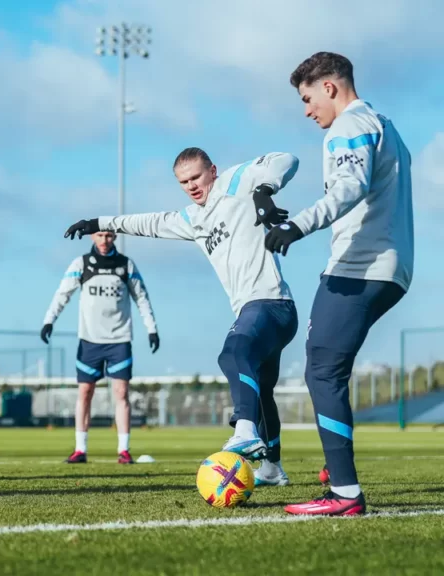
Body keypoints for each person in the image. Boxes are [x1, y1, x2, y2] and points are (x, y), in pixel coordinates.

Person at [65, 148, 300, 486]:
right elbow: (150, 223)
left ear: (213, 171)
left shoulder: (235, 181)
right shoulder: (193, 218)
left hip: (270, 303)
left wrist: (264, 191)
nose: (191, 185)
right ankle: (272, 468)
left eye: (196, 177)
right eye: (183, 182)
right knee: (262, 390)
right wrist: (98, 223)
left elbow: (287, 159)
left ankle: (245, 430)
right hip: (259, 310)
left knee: (233, 352)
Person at [264, 53, 413, 516]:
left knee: (322, 369)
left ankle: (345, 493)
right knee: (328, 367)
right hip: (388, 268)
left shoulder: (348, 127)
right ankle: (336, 470)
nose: (307, 111)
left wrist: (297, 226)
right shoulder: (382, 122)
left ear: (330, 87)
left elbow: (348, 187)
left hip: (360, 266)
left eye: (308, 99)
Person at [41, 230, 159, 464]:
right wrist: (48, 321)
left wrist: (152, 328)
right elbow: (62, 294)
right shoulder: (81, 264)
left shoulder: (126, 265)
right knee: (85, 393)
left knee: (121, 393)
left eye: (109, 236)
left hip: (119, 340)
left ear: (114, 237)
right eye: (100, 235)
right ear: (91, 237)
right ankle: (80, 449)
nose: (105, 240)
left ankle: (124, 451)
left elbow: (142, 298)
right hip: (90, 341)